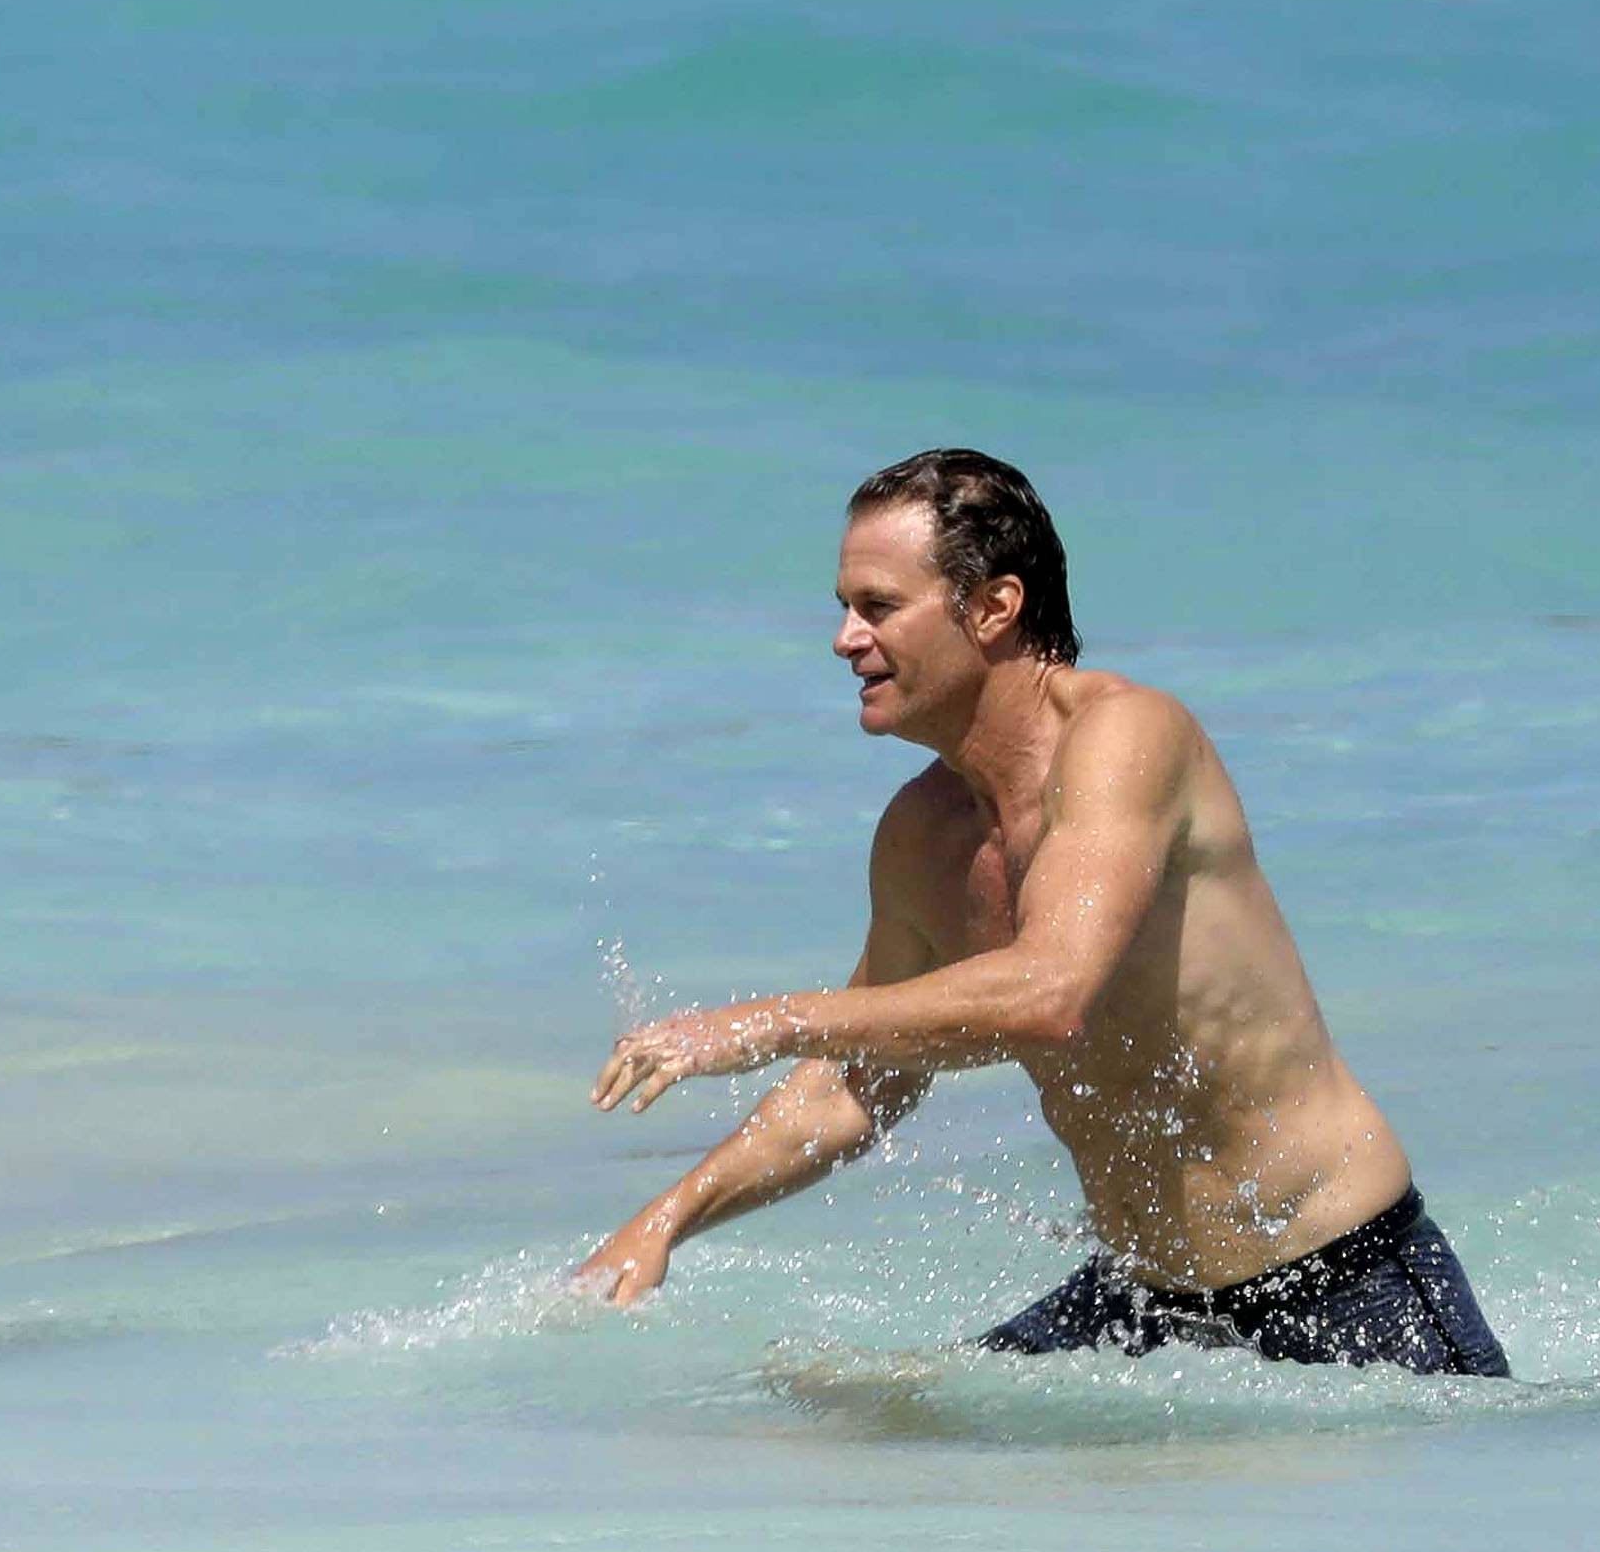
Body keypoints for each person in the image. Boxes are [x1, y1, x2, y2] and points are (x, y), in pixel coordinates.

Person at [573, 449, 1505, 1375]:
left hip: (1340, 1285)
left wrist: (762, 1022)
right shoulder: (921, 832)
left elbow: (1049, 990)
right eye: (844, 608)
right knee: (847, 1420)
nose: (844, 639)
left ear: (992, 607)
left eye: (878, 606)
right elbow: (855, 1083)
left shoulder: (1127, 738)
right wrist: (665, 1221)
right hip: (1144, 1299)